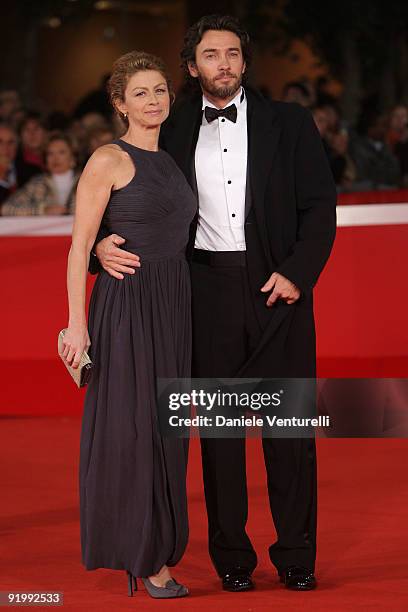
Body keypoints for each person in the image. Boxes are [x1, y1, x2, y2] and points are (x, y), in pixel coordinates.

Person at [91, 15, 337, 593]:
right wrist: (100, 240)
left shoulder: (291, 123)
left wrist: (298, 274)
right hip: (204, 294)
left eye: (231, 53)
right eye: (209, 54)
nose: (222, 63)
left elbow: (321, 208)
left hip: (281, 291)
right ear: (192, 66)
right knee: (222, 437)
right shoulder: (168, 127)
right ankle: (232, 558)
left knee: (290, 432)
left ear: (245, 63)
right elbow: (124, 186)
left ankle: (297, 556)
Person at [61, 51, 195, 598]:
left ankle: (157, 543)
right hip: (127, 307)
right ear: (119, 104)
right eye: (140, 92)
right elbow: (76, 247)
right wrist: (76, 327)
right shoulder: (107, 160)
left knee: (168, 431)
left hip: (173, 303)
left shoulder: (172, 158)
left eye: (160, 89)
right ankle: (144, 557)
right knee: (136, 431)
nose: (154, 100)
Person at [1, 132, 79, 216]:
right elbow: (6, 208)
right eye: (50, 153)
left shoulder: (84, 181)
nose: (55, 158)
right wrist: (43, 210)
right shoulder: (38, 183)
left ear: (73, 156)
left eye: (61, 152)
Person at [0, 122, 40, 210]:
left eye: (10, 142)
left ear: (17, 145)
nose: (6, 147)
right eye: (0, 142)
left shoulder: (33, 172)